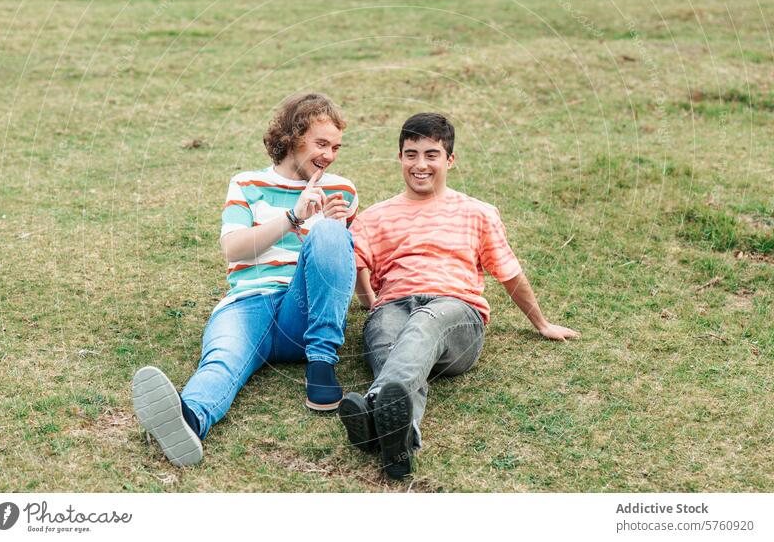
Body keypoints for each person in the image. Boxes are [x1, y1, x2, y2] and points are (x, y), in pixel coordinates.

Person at [339, 113, 579, 479]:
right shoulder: (375, 217)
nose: (421, 165)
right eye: (411, 153)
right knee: (389, 339)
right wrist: (371, 303)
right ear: (400, 157)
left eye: (432, 154)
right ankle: (399, 441)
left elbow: (508, 271)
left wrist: (541, 323)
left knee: (424, 324)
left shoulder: (477, 213)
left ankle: (373, 406)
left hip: (456, 316)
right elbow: (355, 263)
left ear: (449, 160)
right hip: (392, 307)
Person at [133, 93, 358, 466]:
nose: (329, 155)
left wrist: (336, 229)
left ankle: (321, 364)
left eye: (335, 147)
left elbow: (341, 268)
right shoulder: (246, 183)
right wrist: (293, 216)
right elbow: (234, 249)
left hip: (301, 313)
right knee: (222, 361)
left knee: (332, 235)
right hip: (247, 304)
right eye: (321, 143)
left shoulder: (341, 190)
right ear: (293, 137)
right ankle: (189, 420)